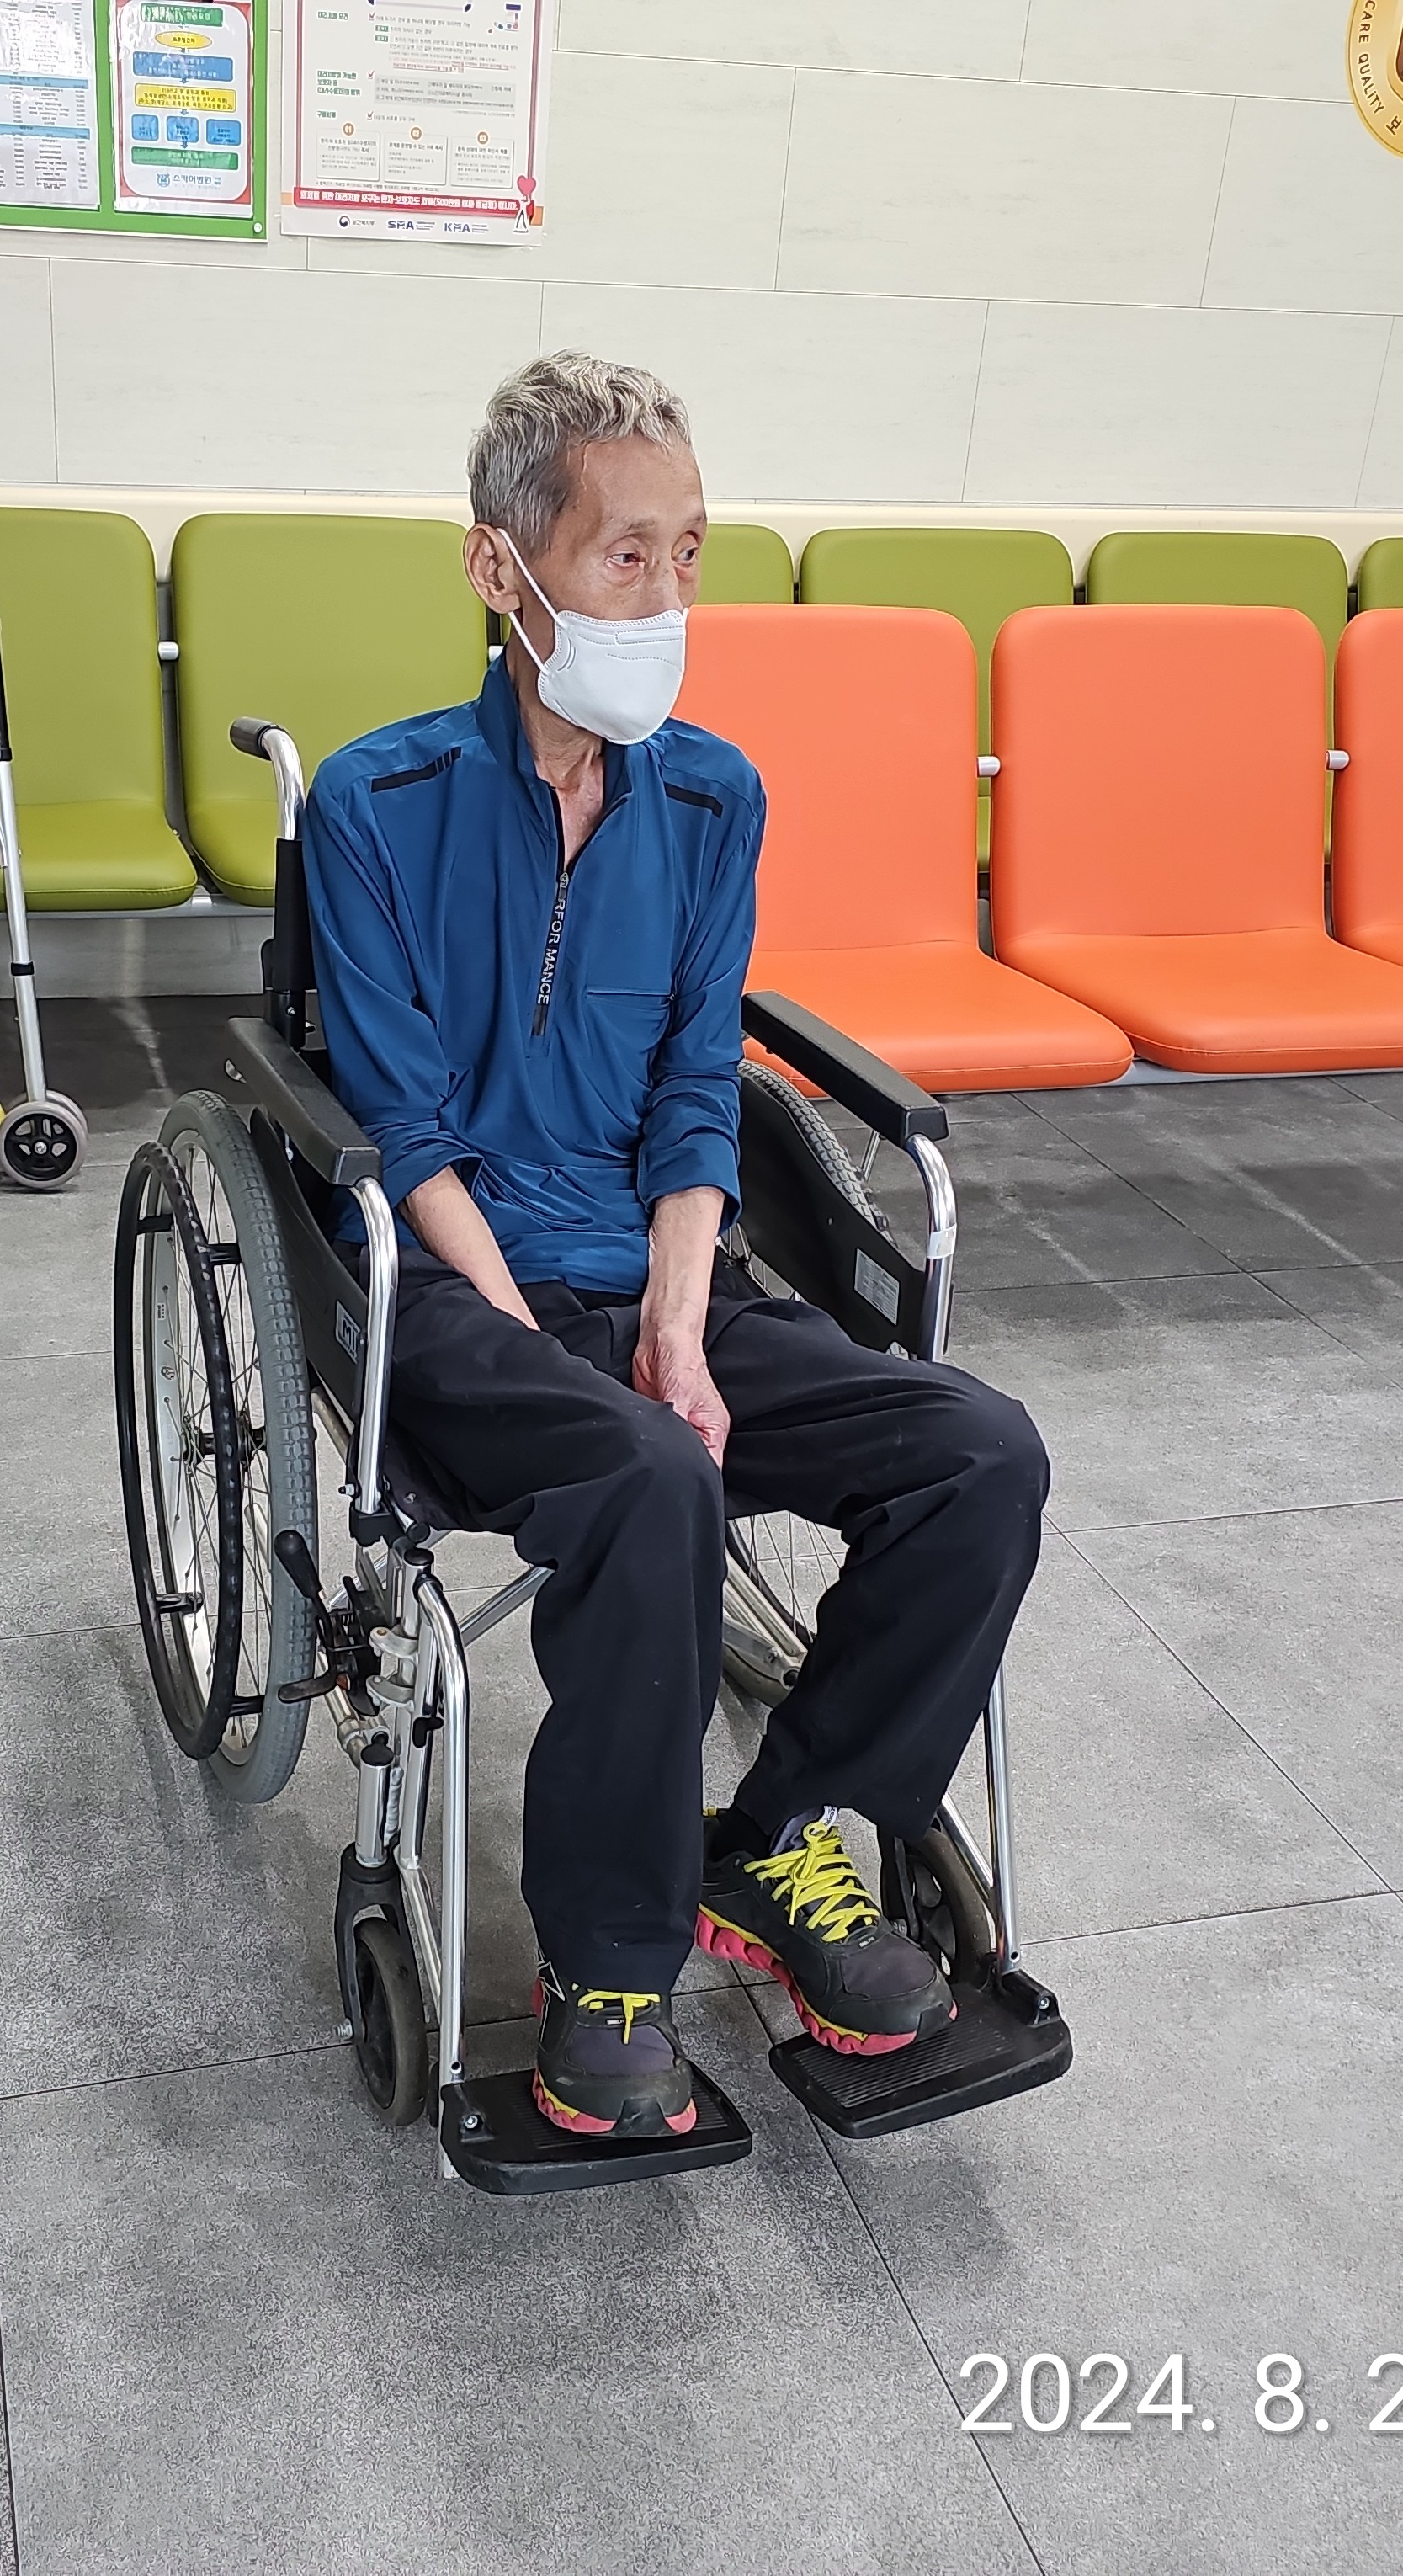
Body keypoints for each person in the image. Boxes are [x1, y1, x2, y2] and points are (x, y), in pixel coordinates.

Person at [302, 354, 1053, 2141]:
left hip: (656, 1272)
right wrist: (537, 1338)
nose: (664, 597)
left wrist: (682, 1329)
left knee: (978, 1452)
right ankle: (611, 1961)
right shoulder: (376, 804)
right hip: (457, 1288)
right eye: (623, 555)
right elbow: (406, 1124)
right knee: (647, 1476)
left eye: (689, 553)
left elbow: (697, 1093)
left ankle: (776, 1837)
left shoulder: (714, 800)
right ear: (501, 569)